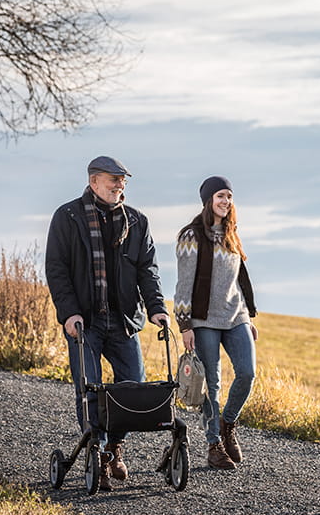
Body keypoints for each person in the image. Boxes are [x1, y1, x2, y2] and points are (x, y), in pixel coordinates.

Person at [45, 155, 169, 491]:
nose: (119, 185)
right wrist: (69, 313)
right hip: (84, 321)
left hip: (123, 320)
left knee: (133, 386)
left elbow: (148, 270)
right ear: (94, 181)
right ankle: (97, 453)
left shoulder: (136, 221)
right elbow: (56, 269)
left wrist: (157, 308)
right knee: (89, 389)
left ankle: (115, 447)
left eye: (122, 180)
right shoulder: (68, 217)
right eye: (113, 179)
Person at [174, 176, 258, 470]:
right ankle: (213, 445)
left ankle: (228, 423)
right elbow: (184, 284)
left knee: (247, 373)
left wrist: (248, 316)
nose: (226, 202)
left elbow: (237, 281)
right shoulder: (191, 235)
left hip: (236, 317)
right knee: (211, 384)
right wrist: (185, 325)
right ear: (209, 200)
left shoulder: (231, 233)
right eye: (221, 196)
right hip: (204, 319)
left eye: (229, 197)